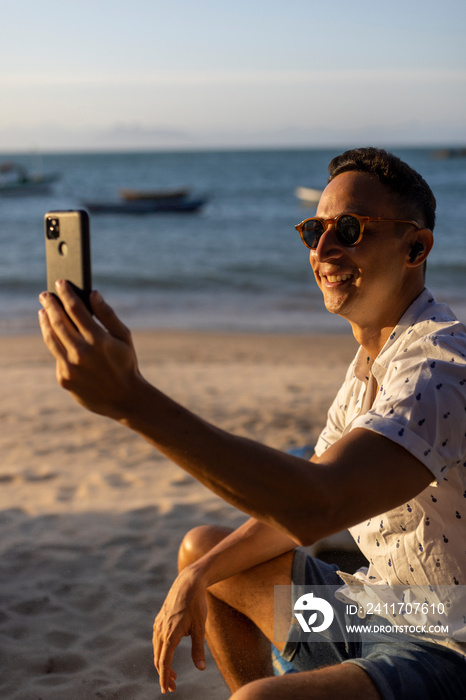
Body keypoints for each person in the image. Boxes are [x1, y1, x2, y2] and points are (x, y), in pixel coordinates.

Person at [39, 147, 466, 700]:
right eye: (315, 230)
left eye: (351, 229)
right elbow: (301, 496)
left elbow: (316, 506)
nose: (325, 248)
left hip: (444, 637)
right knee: (203, 554)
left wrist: (132, 400)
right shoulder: (370, 365)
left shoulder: (438, 367)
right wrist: (199, 573)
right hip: (367, 617)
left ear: (416, 246)